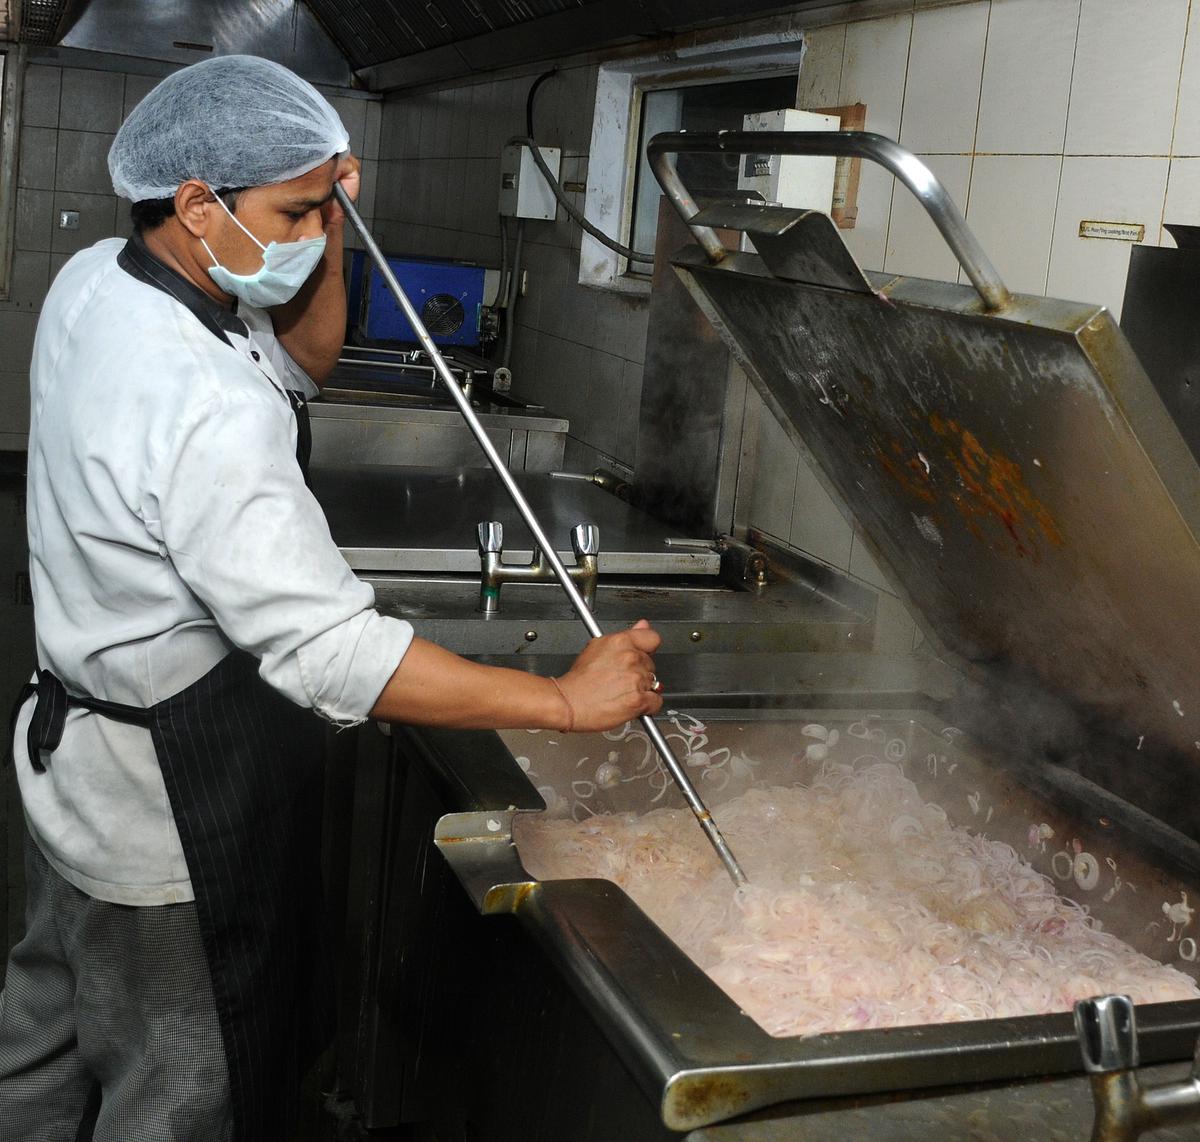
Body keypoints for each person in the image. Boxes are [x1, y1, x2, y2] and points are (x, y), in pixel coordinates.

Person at [0, 54, 663, 1142]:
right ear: (201, 205)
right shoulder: (203, 402)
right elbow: (335, 654)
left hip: (76, 768)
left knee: (46, 1034)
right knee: (178, 1091)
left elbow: (305, 356)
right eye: (295, 210)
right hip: (167, 821)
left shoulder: (105, 279)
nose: (312, 232)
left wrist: (324, 213)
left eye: (322, 207)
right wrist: (565, 701)